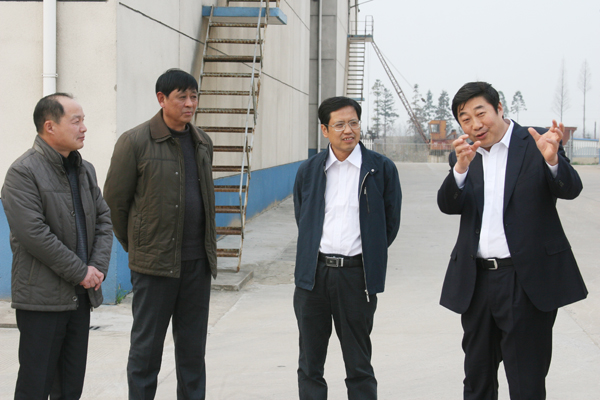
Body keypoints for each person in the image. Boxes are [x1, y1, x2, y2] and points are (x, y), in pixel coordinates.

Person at [437, 81, 588, 400]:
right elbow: (448, 205)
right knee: (476, 379)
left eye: (481, 113)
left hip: (525, 281)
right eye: (466, 118)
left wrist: (552, 161)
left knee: (526, 382)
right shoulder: (465, 154)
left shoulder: (537, 141)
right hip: (477, 282)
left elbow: (571, 189)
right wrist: (460, 169)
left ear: (499, 108)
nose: (475, 124)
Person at [103, 68, 217, 400]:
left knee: (193, 353)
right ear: (161, 99)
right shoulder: (135, 141)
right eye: (182, 97)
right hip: (154, 267)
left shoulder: (202, 142)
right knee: (146, 352)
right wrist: (139, 246)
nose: (190, 103)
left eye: (194, 96)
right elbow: (115, 203)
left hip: (197, 265)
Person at [1, 93, 113, 399]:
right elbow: (34, 234)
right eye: (76, 121)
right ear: (50, 126)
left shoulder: (85, 170)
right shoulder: (23, 172)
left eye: (84, 120)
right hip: (42, 301)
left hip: (81, 298)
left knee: (70, 388)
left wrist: (97, 268)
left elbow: (104, 219)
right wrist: (81, 272)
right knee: (35, 386)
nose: (84, 128)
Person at [293, 96, 402, 399]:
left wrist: (368, 252)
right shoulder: (309, 170)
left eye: (353, 123)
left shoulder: (381, 169)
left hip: (356, 277)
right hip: (313, 277)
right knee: (310, 363)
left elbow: (389, 224)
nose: (348, 130)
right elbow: (303, 217)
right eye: (339, 124)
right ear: (325, 130)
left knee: (359, 365)